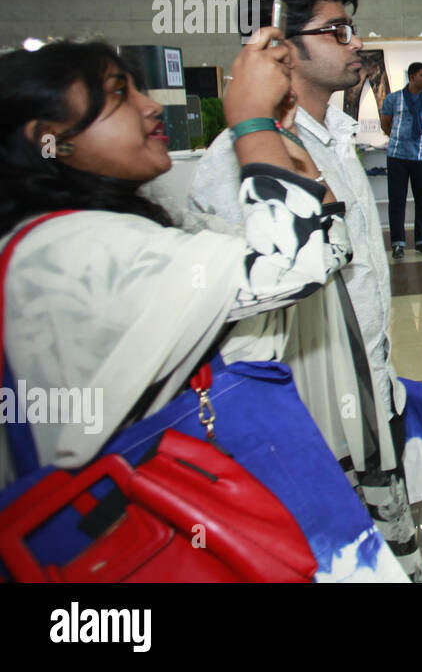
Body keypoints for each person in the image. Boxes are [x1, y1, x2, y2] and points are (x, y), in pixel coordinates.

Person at [0, 37, 339, 473]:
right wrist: (251, 123)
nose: (152, 106)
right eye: (119, 93)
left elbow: (325, 249)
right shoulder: (70, 249)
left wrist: (279, 139)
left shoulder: (126, 229)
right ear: (51, 139)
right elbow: (292, 267)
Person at [189, 0, 422, 582]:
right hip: (310, 424)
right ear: (281, 47)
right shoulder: (237, 163)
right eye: (337, 31)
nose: (355, 44)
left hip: (369, 396)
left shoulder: (337, 140)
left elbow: (362, 286)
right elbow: (244, 305)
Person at [379, 62, 422, 258]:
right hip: (397, 156)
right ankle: (398, 243)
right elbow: (385, 124)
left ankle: (421, 240)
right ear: (412, 76)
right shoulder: (393, 99)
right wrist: (401, 139)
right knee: (397, 201)